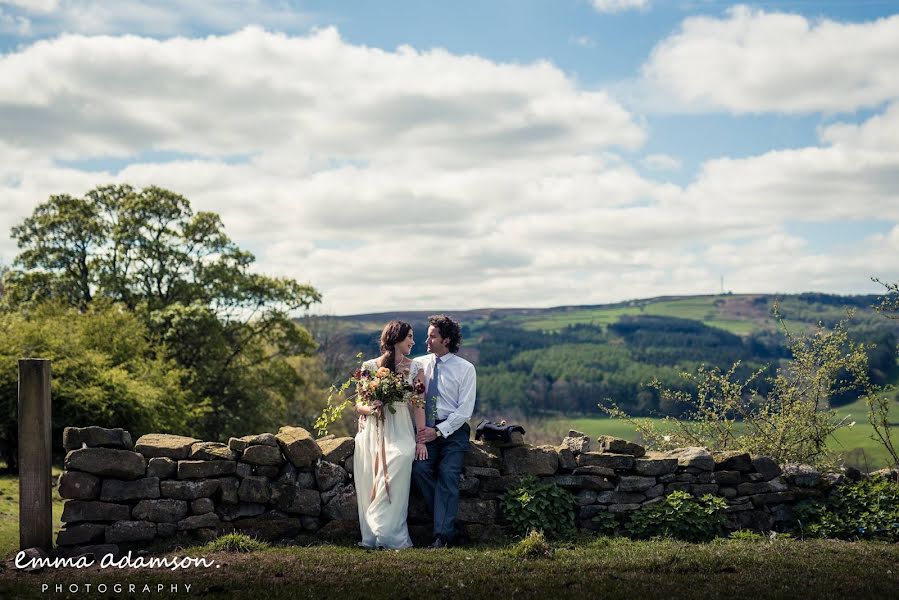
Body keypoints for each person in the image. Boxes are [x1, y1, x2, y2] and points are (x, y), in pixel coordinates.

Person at [353, 320, 427, 550]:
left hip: (402, 427)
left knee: (402, 457)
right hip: (375, 428)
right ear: (396, 339)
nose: (413, 342)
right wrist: (371, 408)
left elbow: (419, 405)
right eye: (409, 337)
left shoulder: (416, 368)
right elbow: (358, 404)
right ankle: (373, 534)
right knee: (371, 475)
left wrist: (421, 438)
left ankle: (386, 529)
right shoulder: (369, 366)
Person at [411, 314, 476, 548]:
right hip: (423, 429)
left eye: (432, 336)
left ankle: (441, 537)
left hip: (453, 432)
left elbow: (465, 411)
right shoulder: (418, 364)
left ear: (446, 340)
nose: (426, 341)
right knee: (419, 471)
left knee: (449, 473)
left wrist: (438, 431)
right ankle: (450, 526)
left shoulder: (466, 369)